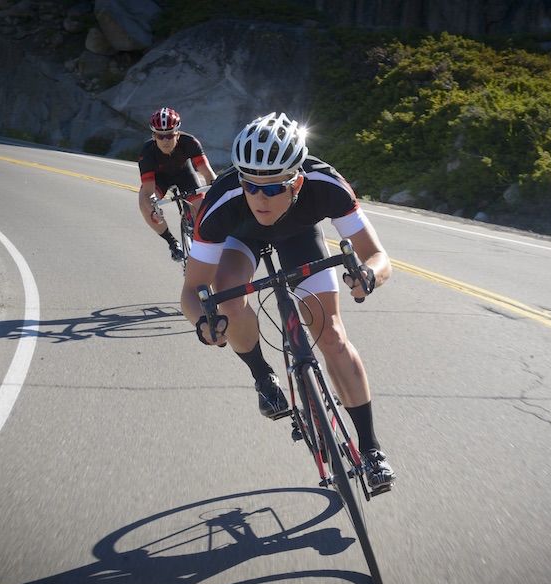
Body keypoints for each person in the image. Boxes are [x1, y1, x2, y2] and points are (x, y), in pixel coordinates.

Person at [180, 112, 396, 492]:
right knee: (228, 298)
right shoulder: (221, 202)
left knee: (332, 336)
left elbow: (378, 257)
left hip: (299, 234)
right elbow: (191, 290)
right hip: (240, 238)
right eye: (251, 186)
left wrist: (368, 277)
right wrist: (203, 322)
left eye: (275, 188)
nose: (261, 198)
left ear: (297, 179)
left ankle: (371, 448)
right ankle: (263, 376)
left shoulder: (326, 184)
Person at [138, 107, 217, 262]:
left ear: (177, 133)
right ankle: (172, 242)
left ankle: (204, 239)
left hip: (185, 175)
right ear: (154, 136)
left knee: (201, 208)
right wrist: (153, 209)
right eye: (161, 136)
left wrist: (216, 196)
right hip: (160, 178)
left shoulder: (190, 142)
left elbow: (208, 174)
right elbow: (148, 191)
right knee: (144, 203)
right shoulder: (147, 152)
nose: (166, 140)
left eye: (169, 135)